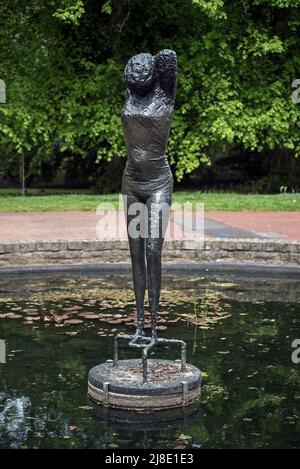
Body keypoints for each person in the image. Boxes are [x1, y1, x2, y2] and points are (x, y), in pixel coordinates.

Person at [121, 49, 177, 341]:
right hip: (131, 182)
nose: (137, 75)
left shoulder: (165, 96)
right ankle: (139, 325)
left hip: (158, 183)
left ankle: (155, 326)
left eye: (144, 71)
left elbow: (170, 57)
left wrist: (154, 61)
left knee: (153, 250)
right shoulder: (130, 94)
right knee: (135, 253)